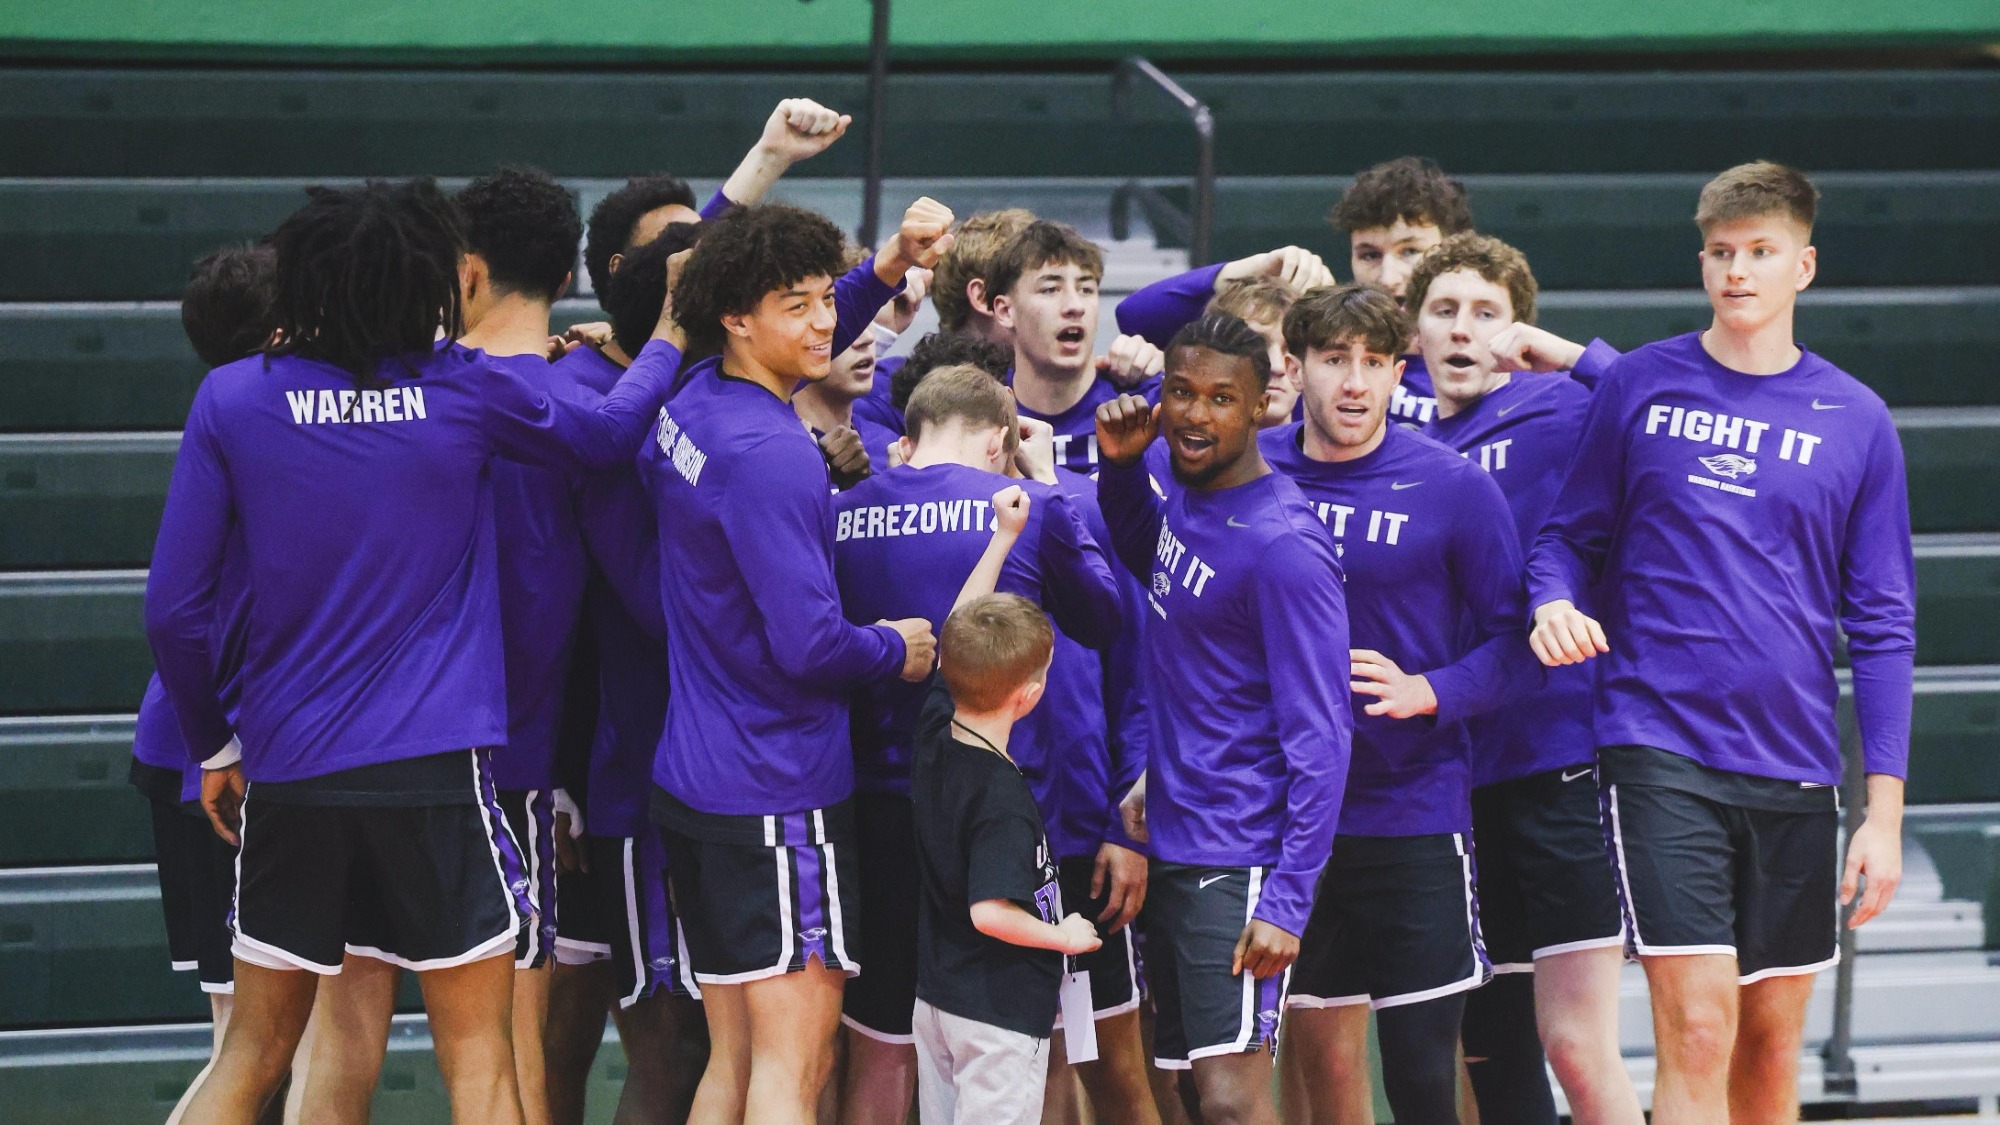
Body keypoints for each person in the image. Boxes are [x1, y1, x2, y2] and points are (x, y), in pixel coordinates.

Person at [143, 177, 690, 1125]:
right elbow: (604, 437)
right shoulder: (464, 390)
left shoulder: (231, 398)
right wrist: (670, 336)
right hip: (439, 777)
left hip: (292, 772)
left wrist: (215, 745)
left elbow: (174, 611)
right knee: (478, 1061)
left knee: (253, 1055)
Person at [1527, 162, 1914, 1125]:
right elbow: (1567, 536)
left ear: (1805, 266)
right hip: (1658, 747)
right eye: (1721, 252)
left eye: (1760, 252)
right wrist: (1549, 602)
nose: (1738, 271)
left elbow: (1884, 621)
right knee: (1697, 1030)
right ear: (1702, 260)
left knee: (1769, 1050)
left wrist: (1883, 813)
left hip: (1791, 766)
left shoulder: (1858, 419)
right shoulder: (1640, 385)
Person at [639, 198, 951, 1124]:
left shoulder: (692, 396)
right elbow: (811, 644)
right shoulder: (772, 453)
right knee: (794, 1063)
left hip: (697, 779)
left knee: (732, 1061)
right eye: (797, 305)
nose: (825, 323)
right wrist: (900, 646)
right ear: (738, 317)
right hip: (775, 792)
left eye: (827, 299)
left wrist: (886, 265)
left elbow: (804, 327)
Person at [1257, 285, 1536, 1125]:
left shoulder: (1452, 486)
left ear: (1397, 371)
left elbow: (1517, 642)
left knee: (1420, 1080)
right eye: (1335, 359)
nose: (1353, 383)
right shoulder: (1250, 470)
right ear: (1294, 365)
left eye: (1374, 363)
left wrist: (1433, 690)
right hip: (1282, 819)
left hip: (1413, 816)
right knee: (1306, 1077)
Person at [831, 367, 1123, 1123]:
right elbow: (1102, 616)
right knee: (1010, 1043)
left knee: (882, 1041)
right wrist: (1052, 486)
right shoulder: (1028, 507)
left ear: (905, 440)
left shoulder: (839, 511)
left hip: (872, 806)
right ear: (1002, 441)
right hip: (996, 809)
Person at [1095, 313, 1352, 1125]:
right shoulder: (1188, 495)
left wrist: (1287, 900)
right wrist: (1122, 473)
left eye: (1220, 398)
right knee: (1185, 1094)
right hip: (1176, 838)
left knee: (1234, 1100)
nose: (1196, 415)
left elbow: (1325, 737)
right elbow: (1155, 560)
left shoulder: (1285, 547)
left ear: (1261, 406)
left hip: (1238, 857)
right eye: (1180, 392)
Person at [1413, 233, 1642, 1125]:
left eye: (1486, 313)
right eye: (1444, 310)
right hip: (1458, 781)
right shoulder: (1408, 452)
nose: (1463, 330)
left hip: (1561, 758)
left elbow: (1664, 401)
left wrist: (1571, 356)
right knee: (1493, 1048)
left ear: (1517, 329)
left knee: (1578, 1048)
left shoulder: (1561, 406)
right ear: (1413, 332)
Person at [131, 243, 276, 1125]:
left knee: (259, 1050)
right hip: (211, 769)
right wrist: (216, 746)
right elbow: (172, 615)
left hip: (199, 753)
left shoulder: (237, 422)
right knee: (250, 1054)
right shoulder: (246, 434)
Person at [910, 494, 1106, 1125]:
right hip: (994, 1013)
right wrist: (1063, 936)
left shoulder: (937, 731)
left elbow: (960, 623)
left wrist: (1004, 537)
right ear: (1030, 695)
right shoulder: (1003, 799)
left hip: (938, 1001)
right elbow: (990, 909)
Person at [988, 220, 1165, 474]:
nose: (1075, 305)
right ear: (1006, 311)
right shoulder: (981, 419)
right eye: (1050, 289)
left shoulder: (1147, 406)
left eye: (1086, 289)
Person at [1327, 157, 1474, 426]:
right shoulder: (1324, 369)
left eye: (1409, 251)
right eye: (1370, 255)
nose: (1387, 278)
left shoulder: (1500, 373)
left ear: (1457, 254)